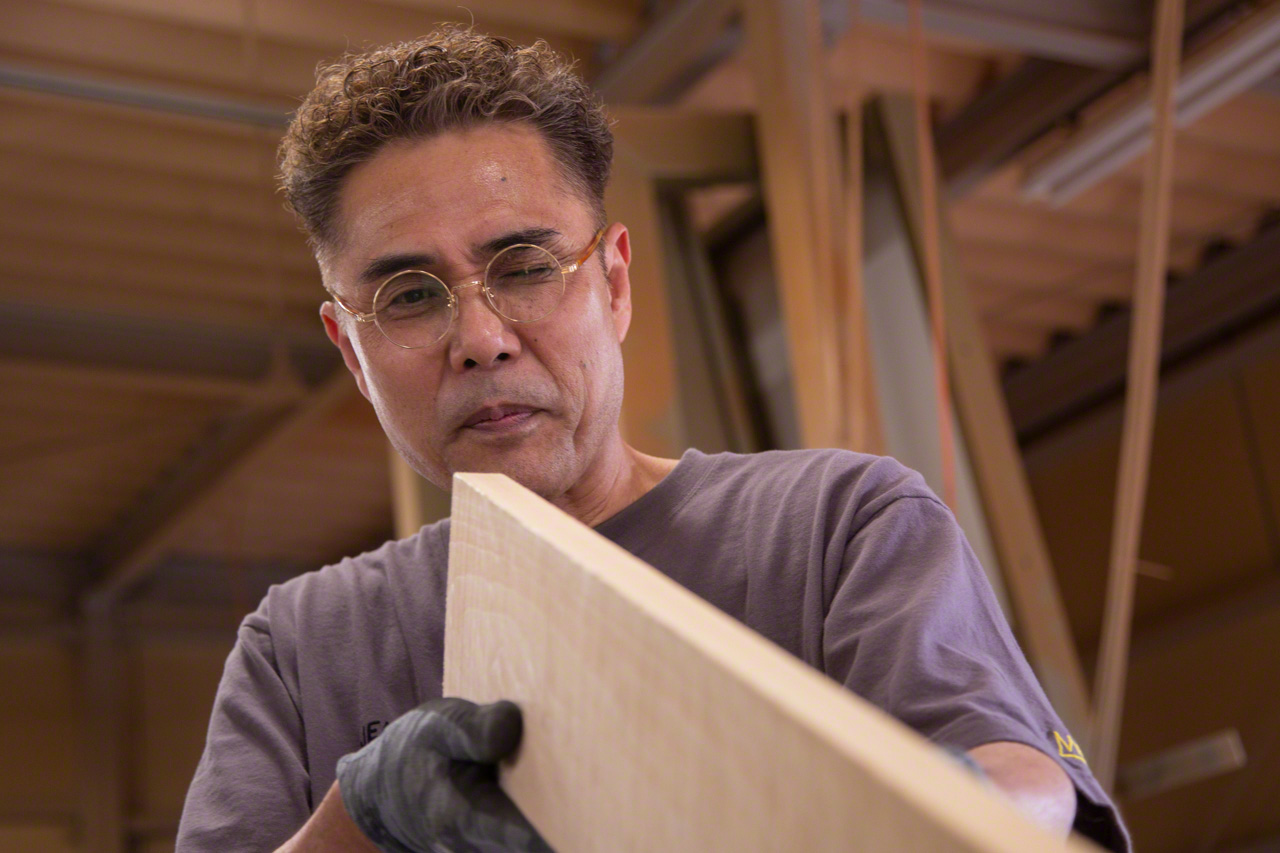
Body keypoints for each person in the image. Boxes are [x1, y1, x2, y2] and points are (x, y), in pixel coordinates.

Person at [176, 26, 1128, 853]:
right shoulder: (302, 649)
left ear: (616, 283)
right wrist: (361, 821)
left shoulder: (838, 528)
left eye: (526, 265)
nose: (481, 338)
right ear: (351, 348)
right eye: (410, 296)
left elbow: (1024, 788)